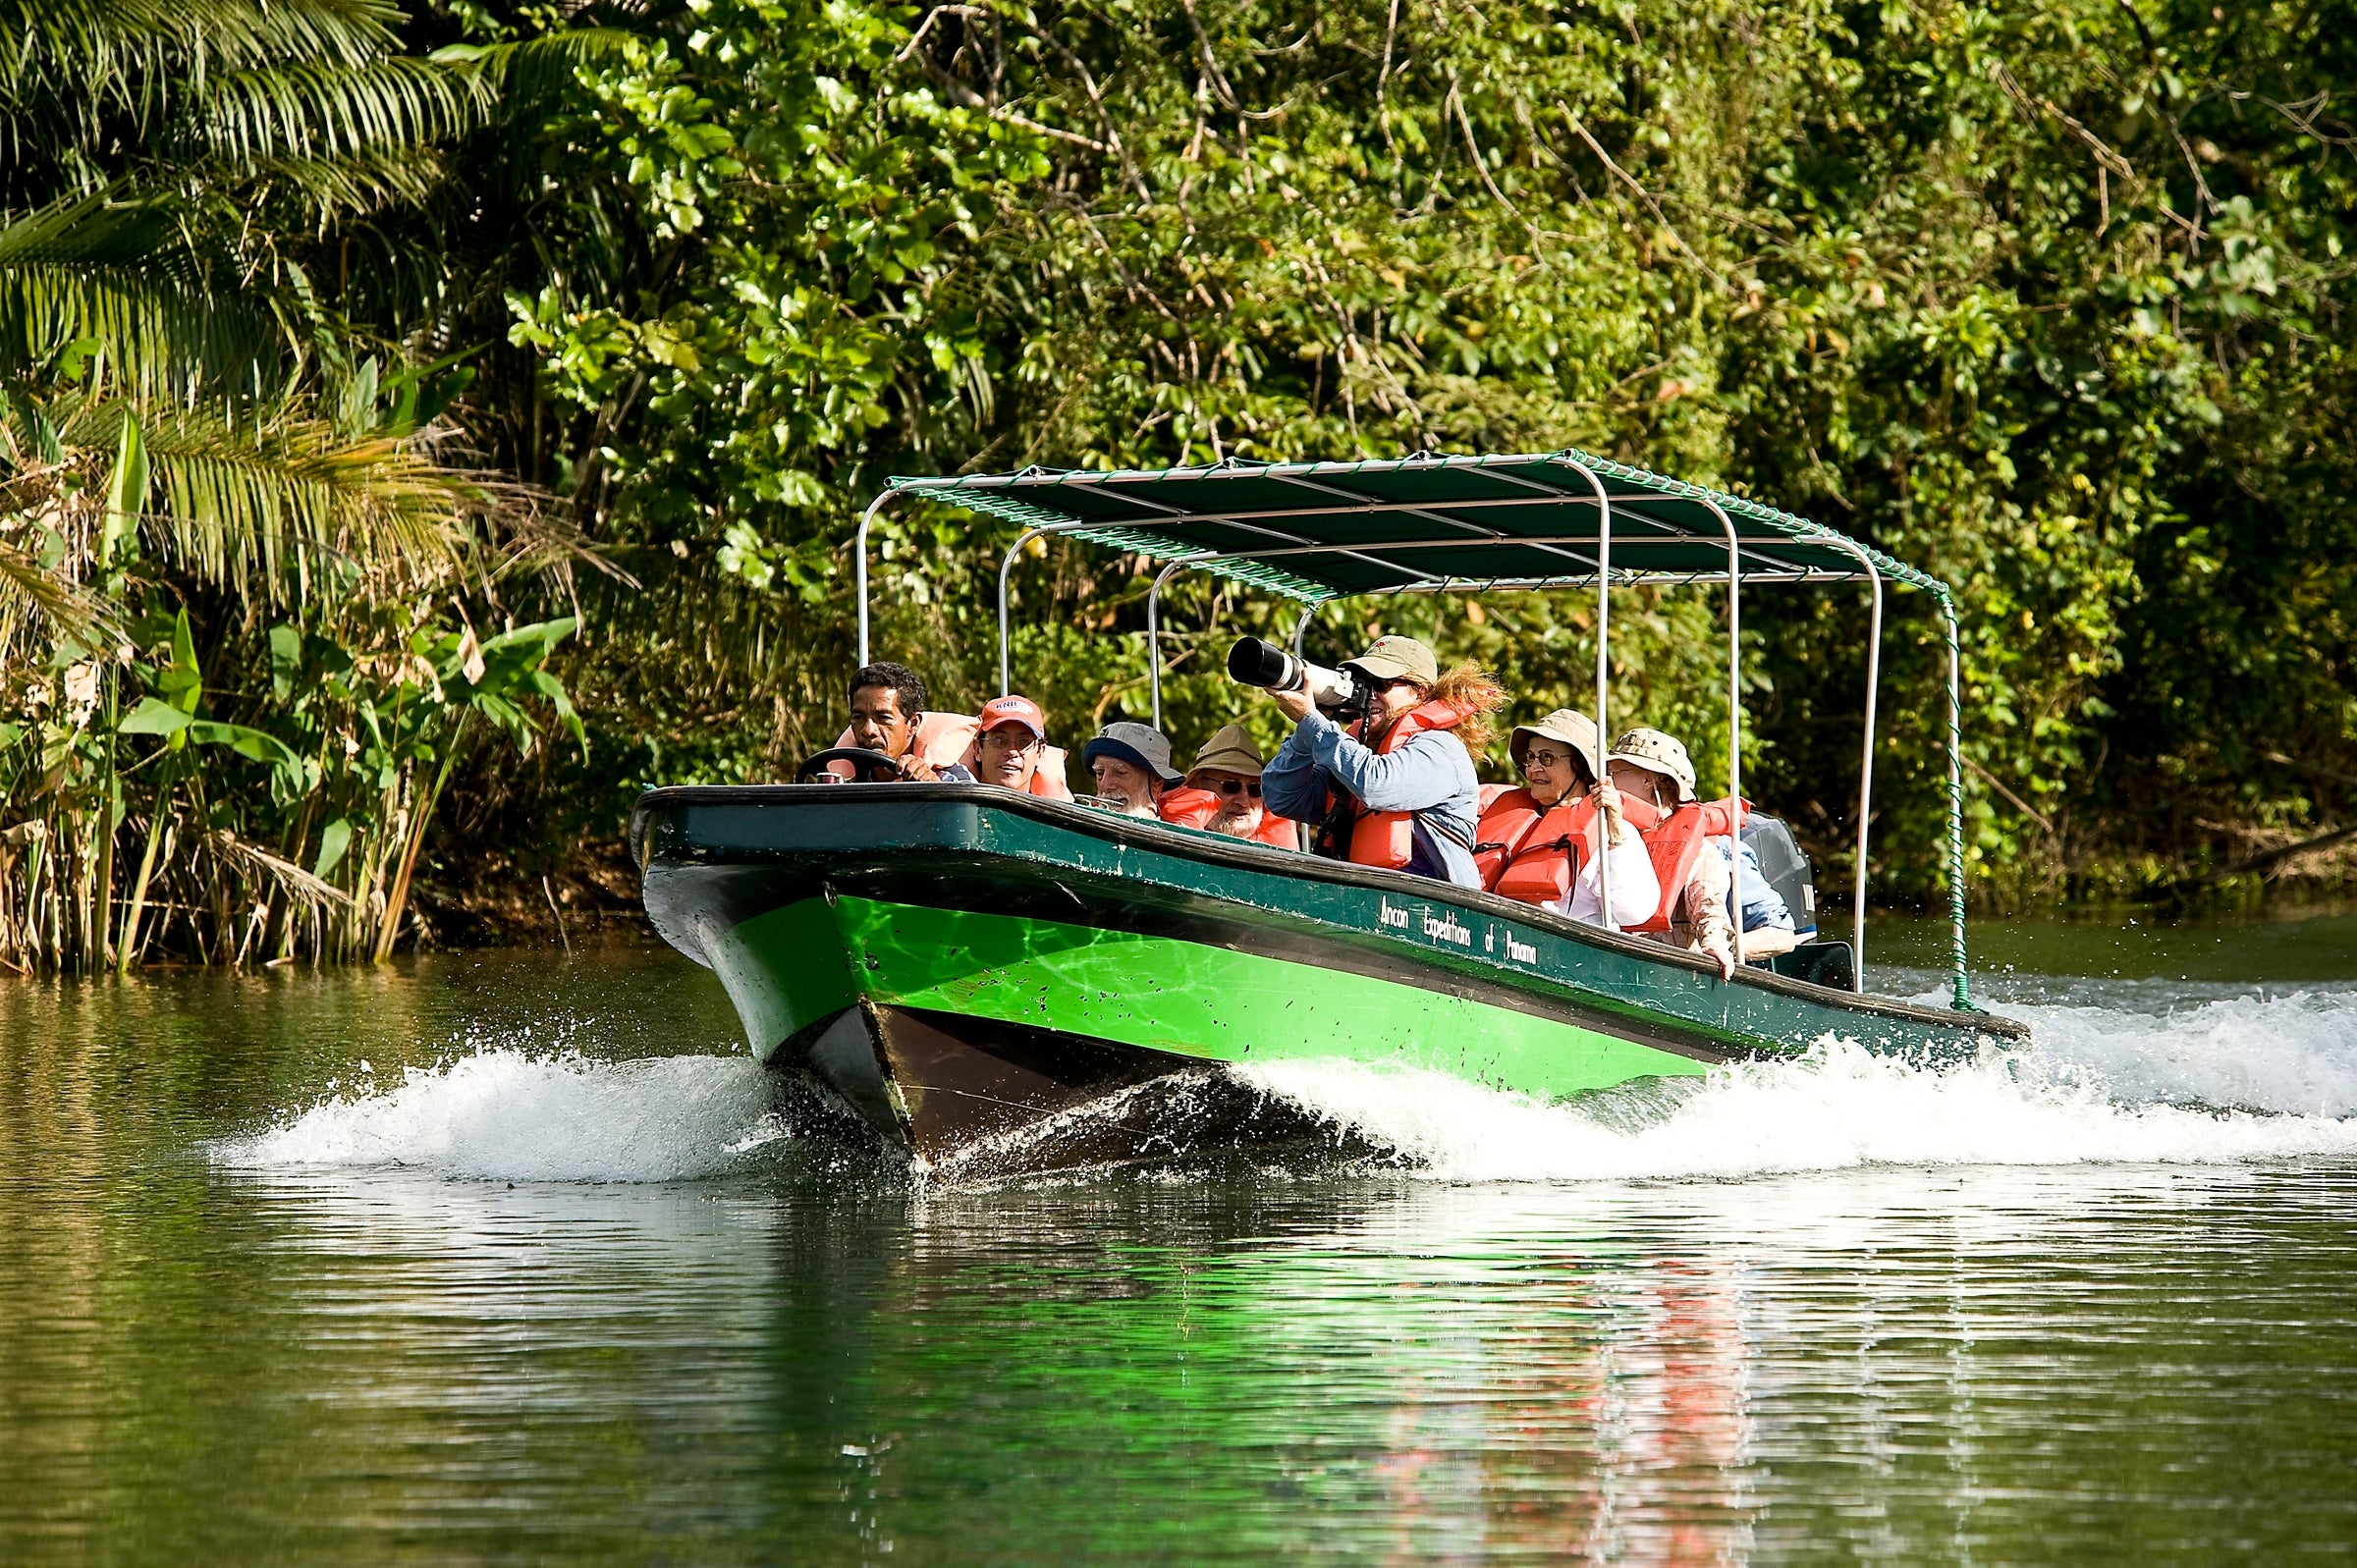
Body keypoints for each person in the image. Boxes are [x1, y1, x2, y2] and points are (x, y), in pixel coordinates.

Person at [1259, 634, 1499, 889]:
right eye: (1364, 683)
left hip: (1430, 909)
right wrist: (1309, 727)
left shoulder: (1441, 749)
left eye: (1382, 684)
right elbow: (1281, 796)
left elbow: (1377, 785)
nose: (1369, 694)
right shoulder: (1353, 755)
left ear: (1420, 692)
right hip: (1359, 900)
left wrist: (1312, 722)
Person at [1473, 709, 1657, 926]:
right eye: (1529, 758)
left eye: (1546, 758)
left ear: (1579, 766)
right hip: (1502, 934)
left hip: (1570, 948)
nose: (1533, 768)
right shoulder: (1507, 818)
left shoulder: (1614, 830)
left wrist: (1614, 833)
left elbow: (1634, 912)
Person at [1605, 728, 1741, 979]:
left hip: (1663, 969)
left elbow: (1708, 904)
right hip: (1609, 956)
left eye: (1615, 772)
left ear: (1649, 780)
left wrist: (1714, 943)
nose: (1606, 780)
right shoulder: (1606, 833)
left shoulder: (1699, 851)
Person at [822, 662, 976, 782]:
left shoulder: (952, 779)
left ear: (913, 724)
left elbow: (973, 816)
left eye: (883, 718)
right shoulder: (839, 786)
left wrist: (933, 788)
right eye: (858, 717)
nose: (868, 731)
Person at [1159, 724, 1300, 848]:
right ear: (1197, 785)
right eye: (1231, 786)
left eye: (1255, 789)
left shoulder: (1280, 853)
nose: (1244, 802)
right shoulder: (1162, 832)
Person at [967, 695, 1074, 800]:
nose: (1012, 751)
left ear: (1040, 753)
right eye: (999, 740)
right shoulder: (955, 808)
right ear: (978, 750)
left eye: (1024, 742)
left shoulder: (1057, 816)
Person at [1080, 721, 1179, 819]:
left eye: (1120, 772)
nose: (1105, 785)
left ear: (1156, 781)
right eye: (1100, 773)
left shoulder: (1176, 833)